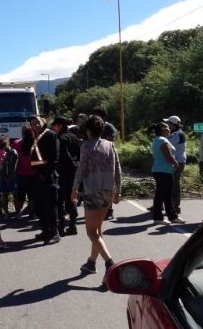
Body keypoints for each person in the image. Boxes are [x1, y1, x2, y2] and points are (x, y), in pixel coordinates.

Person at [71, 115, 121, 285]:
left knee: (91, 233)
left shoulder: (86, 145)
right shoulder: (110, 145)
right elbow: (118, 169)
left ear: (88, 130)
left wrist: (74, 189)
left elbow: (81, 168)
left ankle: (110, 263)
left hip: (92, 191)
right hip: (108, 191)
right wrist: (118, 191)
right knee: (98, 230)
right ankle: (91, 263)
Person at [30, 115, 60, 245]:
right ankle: (45, 230)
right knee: (39, 205)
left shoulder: (50, 135)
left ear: (43, 122)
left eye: (38, 122)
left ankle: (55, 232)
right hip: (37, 175)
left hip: (49, 176)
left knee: (50, 205)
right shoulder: (34, 137)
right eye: (33, 123)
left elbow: (54, 158)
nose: (36, 125)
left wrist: (46, 172)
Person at [150, 122, 185, 224]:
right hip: (163, 171)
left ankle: (172, 217)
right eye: (167, 128)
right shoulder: (162, 140)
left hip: (163, 170)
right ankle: (158, 218)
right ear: (162, 129)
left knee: (167, 195)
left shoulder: (158, 139)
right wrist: (176, 164)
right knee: (161, 194)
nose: (169, 130)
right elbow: (168, 155)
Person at [52, 116, 79, 236]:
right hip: (73, 171)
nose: (53, 127)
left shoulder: (59, 138)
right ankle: (73, 226)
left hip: (62, 171)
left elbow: (60, 156)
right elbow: (78, 153)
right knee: (72, 198)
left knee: (60, 200)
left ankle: (61, 227)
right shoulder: (73, 136)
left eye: (54, 125)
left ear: (60, 126)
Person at [91, 107, 118, 220]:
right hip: (94, 160)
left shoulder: (108, 127)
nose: (95, 118)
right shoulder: (92, 126)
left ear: (103, 117)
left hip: (106, 160)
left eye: (97, 115)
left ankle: (109, 210)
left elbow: (110, 141)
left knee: (107, 186)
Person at [12, 123, 36, 218]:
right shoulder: (36, 143)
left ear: (22, 133)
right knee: (32, 195)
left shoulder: (16, 143)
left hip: (20, 173)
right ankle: (32, 213)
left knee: (20, 194)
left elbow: (13, 159)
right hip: (33, 173)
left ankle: (18, 212)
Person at [164, 116, 186, 214]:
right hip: (175, 161)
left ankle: (175, 207)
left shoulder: (177, 134)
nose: (166, 125)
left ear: (173, 125)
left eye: (168, 123)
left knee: (174, 184)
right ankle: (171, 206)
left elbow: (166, 143)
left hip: (178, 162)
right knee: (170, 183)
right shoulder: (176, 133)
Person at [0, 135, 18, 216]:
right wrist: (4, 176)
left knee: (15, 194)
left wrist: (10, 176)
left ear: (7, 143)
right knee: (5, 195)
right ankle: (6, 213)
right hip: (3, 178)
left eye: (3, 144)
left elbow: (15, 166)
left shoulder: (13, 152)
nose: (2, 146)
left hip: (13, 177)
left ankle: (17, 211)